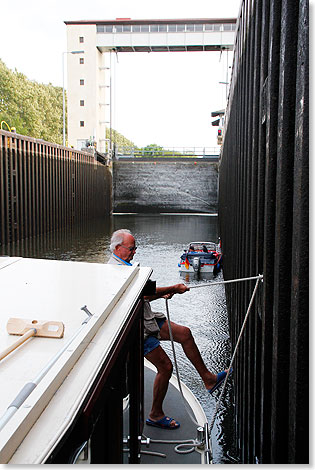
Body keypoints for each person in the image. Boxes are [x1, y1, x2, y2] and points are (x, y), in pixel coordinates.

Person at [108, 229, 229, 430]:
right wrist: (173, 288)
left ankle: (208, 379)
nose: (134, 252)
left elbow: (143, 295)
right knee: (165, 367)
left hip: (146, 316)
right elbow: (144, 295)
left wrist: (161, 294)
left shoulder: (125, 265)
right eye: (131, 248)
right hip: (138, 327)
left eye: (135, 248)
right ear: (118, 248)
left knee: (185, 334)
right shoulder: (115, 271)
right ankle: (155, 414)